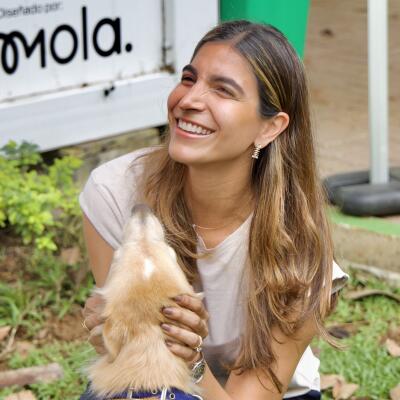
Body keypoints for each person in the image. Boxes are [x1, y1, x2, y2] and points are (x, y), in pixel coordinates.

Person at [79, 20, 348, 400]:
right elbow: (128, 360)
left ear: (270, 128)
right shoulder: (115, 191)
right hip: (146, 382)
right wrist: (111, 333)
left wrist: (188, 362)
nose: (189, 100)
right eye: (189, 79)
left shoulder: (300, 246)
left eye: (223, 90)